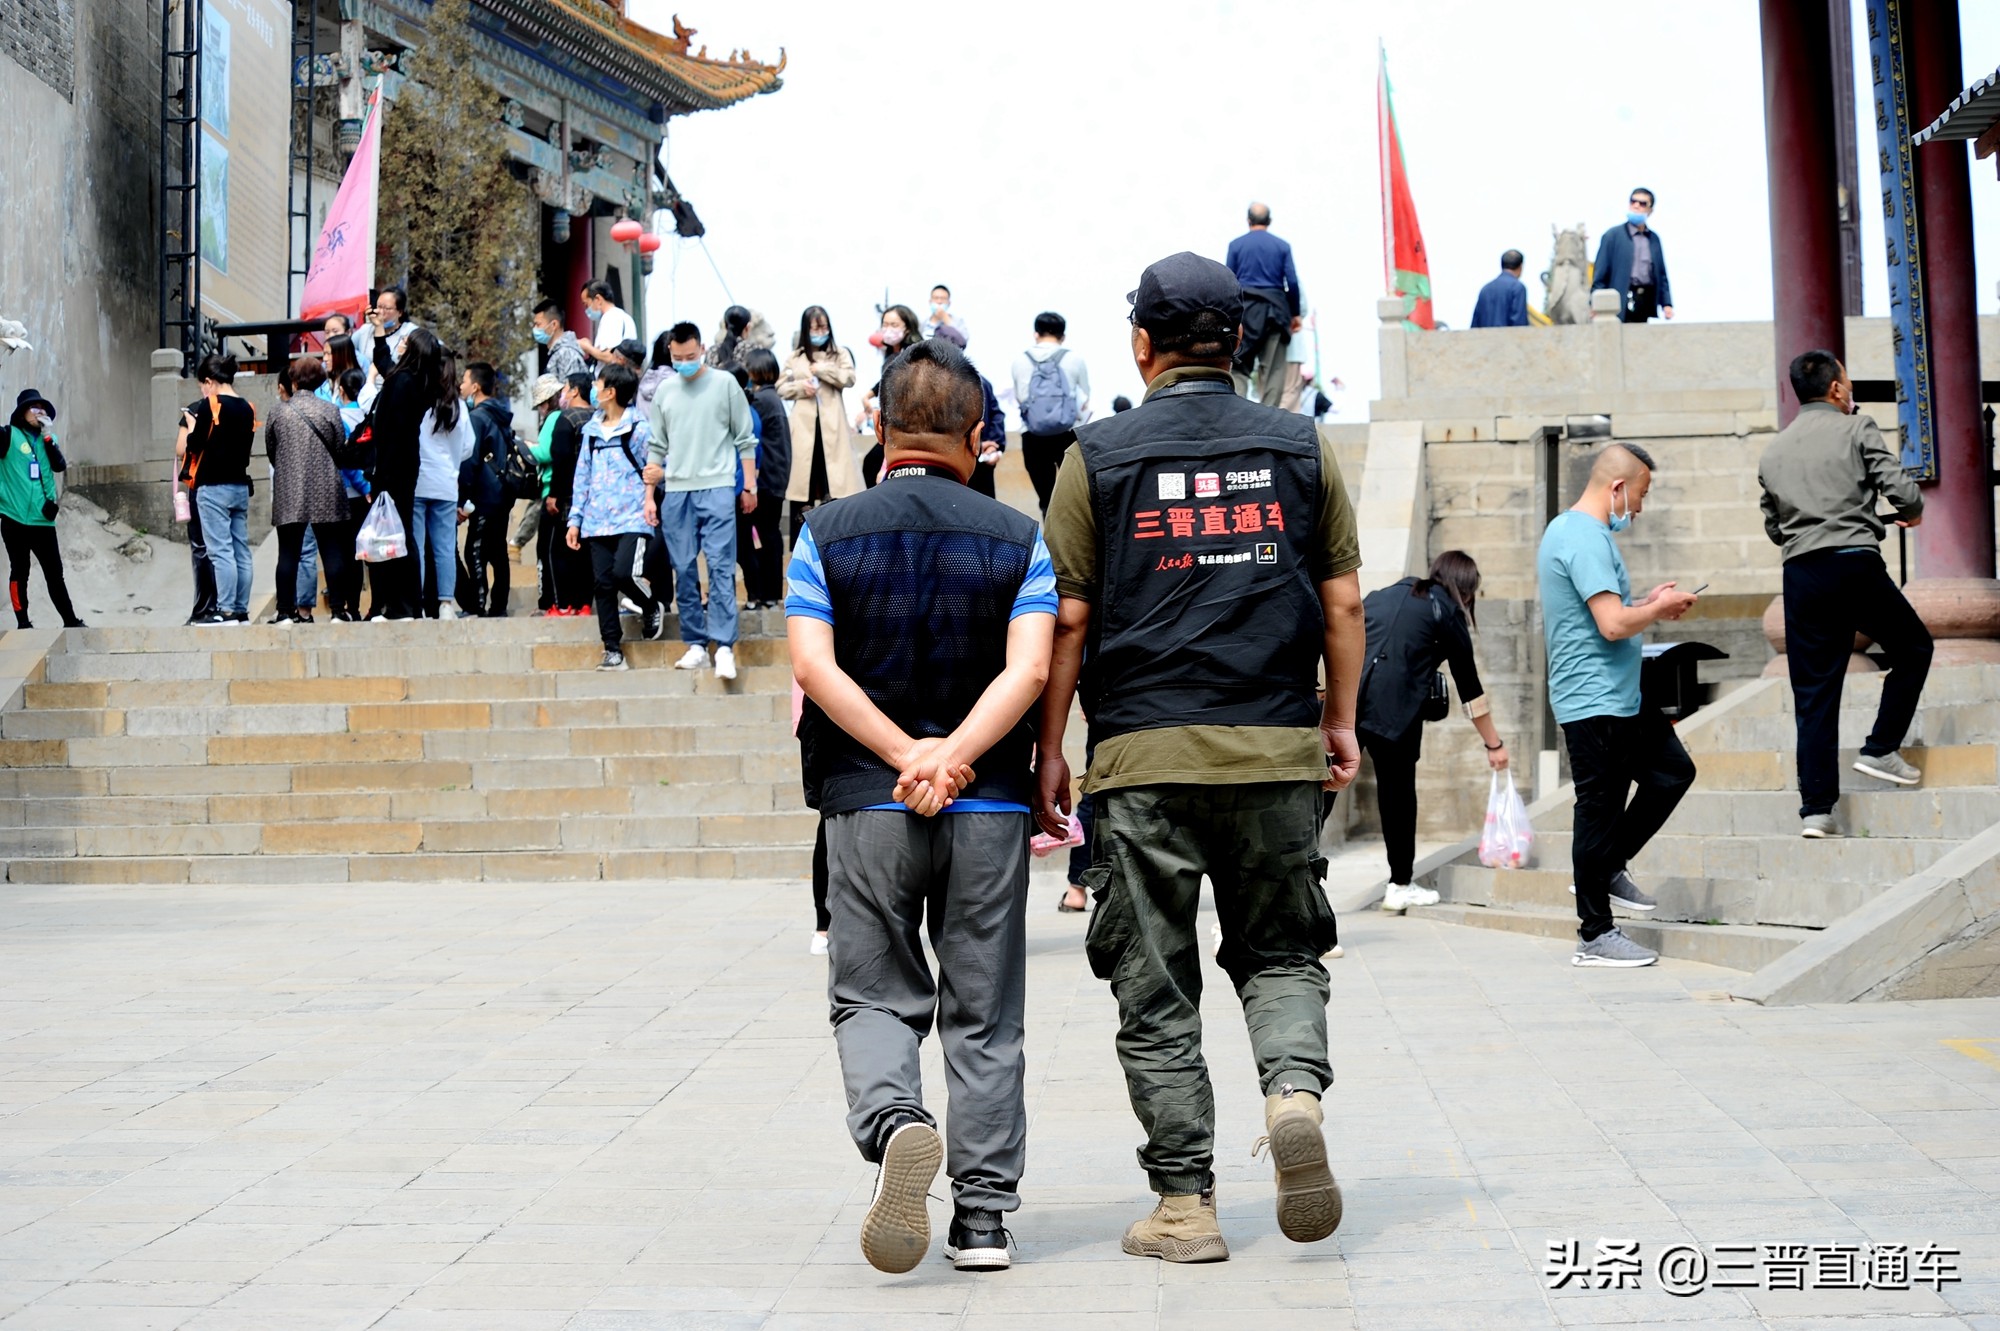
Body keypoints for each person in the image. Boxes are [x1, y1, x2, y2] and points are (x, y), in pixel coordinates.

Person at [1035, 251, 1362, 1263]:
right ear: (1239, 342)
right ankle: (1292, 1092)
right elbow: (1344, 601)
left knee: (1155, 986)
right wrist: (1337, 720)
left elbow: (1068, 621)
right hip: (1271, 744)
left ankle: (1184, 1205)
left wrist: (1049, 749)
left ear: (1139, 345)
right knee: (1278, 951)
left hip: (1139, 758)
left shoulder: (1095, 455)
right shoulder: (1300, 446)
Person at [785, 336, 1056, 1274]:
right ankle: (982, 1219)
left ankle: (898, 1119)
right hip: (987, 806)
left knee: (870, 994)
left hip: (868, 801)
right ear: (980, 436)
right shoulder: (1021, 537)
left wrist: (905, 755)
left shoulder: (826, 531)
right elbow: (1030, 668)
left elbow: (812, 664)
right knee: (984, 1012)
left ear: (876, 422)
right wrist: (955, 758)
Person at [1537, 443, 1700, 967]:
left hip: (1621, 695)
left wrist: (1647, 605)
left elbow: (1607, 614)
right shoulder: (1581, 536)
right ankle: (1595, 933)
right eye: (1641, 494)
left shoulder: (1583, 534)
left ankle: (1606, 865)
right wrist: (1656, 608)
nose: (1641, 506)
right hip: (1594, 699)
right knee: (1598, 812)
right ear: (1616, 488)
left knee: (1672, 771)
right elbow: (1610, 625)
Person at [1758, 349, 1931, 837]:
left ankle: (1816, 809)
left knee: (1814, 693)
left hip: (1802, 574)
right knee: (1914, 647)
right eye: (1848, 383)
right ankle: (1879, 748)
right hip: (1853, 563)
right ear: (1835, 388)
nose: (1850, 391)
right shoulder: (1857, 428)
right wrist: (1898, 513)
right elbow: (1905, 493)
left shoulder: (1773, 452)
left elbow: (1775, 527)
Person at [1356, 552, 1511, 909]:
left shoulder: (1383, 595)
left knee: (1322, 797)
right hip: (1395, 712)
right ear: (1467, 590)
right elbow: (1470, 688)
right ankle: (1399, 885)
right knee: (1397, 797)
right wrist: (1494, 745)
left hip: (1347, 701)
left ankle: (1288, 882)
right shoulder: (1446, 611)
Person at [642, 322, 756, 681]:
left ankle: (723, 645)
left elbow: (745, 438)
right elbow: (656, 447)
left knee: (721, 566)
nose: (685, 363)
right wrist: (649, 496)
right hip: (676, 490)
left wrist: (748, 485)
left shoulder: (725, 385)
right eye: (678, 358)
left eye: (691, 356)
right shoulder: (665, 391)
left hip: (718, 484)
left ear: (702, 348)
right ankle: (695, 643)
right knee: (684, 567)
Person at [567, 362, 662, 670]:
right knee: (603, 585)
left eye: (598, 384)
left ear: (610, 392)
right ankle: (612, 649)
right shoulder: (591, 432)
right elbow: (582, 476)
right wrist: (575, 520)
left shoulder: (639, 428)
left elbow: (660, 465)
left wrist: (654, 486)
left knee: (623, 574)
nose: (593, 388)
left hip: (632, 517)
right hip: (596, 521)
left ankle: (650, 604)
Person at [366, 325, 451, 619]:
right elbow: (385, 364)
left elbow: (388, 430)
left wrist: (377, 474)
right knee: (400, 532)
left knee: (394, 535)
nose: (400, 343)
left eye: (404, 341)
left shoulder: (401, 382)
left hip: (392, 466)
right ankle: (409, 604)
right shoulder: (418, 381)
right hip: (406, 464)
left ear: (412, 350)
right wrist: (378, 335)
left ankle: (400, 605)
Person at [265, 358, 351, 625]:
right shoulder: (330, 410)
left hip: (289, 490)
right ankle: (338, 610)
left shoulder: (279, 412)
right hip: (326, 488)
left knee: (288, 552)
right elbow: (339, 449)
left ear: (293, 380)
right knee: (331, 550)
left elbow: (272, 450)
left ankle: (284, 611)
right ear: (320, 381)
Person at [179, 353, 256, 626]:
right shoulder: (248, 407)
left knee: (221, 551)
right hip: (239, 485)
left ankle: (225, 611)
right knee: (240, 550)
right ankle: (241, 610)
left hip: (212, 487)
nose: (203, 389)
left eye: (203, 383)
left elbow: (194, 446)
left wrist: (191, 426)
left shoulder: (210, 405)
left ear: (210, 381)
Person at [779, 306, 862, 542]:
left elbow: (849, 378)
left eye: (823, 326)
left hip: (832, 430)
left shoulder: (840, 354)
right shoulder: (795, 358)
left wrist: (823, 369)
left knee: (834, 486)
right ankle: (799, 545)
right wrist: (800, 387)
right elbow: (781, 387)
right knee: (801, 488)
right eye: (815, 327)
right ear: (806, 329)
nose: (820, 331)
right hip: (804, 432)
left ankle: (833, 540)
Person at [2, 389, 81, 629]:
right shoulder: (8, 436)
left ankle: (70, 621)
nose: (40, 412)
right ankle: (23, 623)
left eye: (42, 408)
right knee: (20, 571)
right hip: (14, 518)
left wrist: (48, 437)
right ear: (22, 412)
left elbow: (59, 466)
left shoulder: (49, 440)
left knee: (55, 573)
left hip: (43, 520)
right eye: (33, 408)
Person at [411, 339, 474, 619]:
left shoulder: (418, 401)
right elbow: (467, 448)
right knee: (445, 548)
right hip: (447, 484)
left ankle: (419, 604)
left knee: (417, 547)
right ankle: (446, 604)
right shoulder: (459, 406)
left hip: (419, 480)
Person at [1011, 311, 1091, 516]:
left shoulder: (1020, 360)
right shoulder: (1074, 358)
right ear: (1062, 336)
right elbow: (1085, 396)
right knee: (1073, 495)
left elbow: (1020, 397)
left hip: (1032, 435)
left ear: (1036, 334)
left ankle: (1049, 539)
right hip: (1067, 434)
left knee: (1046, 498)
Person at [1224, 203, 1303, 404]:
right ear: (1269, 221)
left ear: (1248, 220)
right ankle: (1269, 418)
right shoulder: (1282, 246)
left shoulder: (1236, 245)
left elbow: (1228, 281)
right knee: (1274, 369)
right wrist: (1294, 313)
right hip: (1275, 311)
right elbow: (1292, 281)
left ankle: (1237, 413)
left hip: (1245, 313)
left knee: (1240, 366)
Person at [457, 361, 515, 617]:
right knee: (498, 551)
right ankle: (499, 604)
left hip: (485, 493)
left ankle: (478, 604)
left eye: (465, 381)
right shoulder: (500, 415)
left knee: (475, 550)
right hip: (504, 492)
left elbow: (470, 460)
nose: (462, 385)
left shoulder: (477, 417)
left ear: (476, 387)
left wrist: (462, 496)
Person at [926, 323, 1005, 499]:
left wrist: (989, 443)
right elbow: (997, 414)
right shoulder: (979, 379)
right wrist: (995, 443)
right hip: (980, 454)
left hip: (957, 459)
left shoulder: (944, 383)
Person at [539, 373, 596, 616]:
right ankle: (584, 603)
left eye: (565, 389)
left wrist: (554, 495)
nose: (562, 394)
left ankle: (562, 604)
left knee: (558, 551)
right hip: (595, 499)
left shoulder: (566, 419)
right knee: (586, 553)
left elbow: (561, 460)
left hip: (569, 500)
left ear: (574, 391)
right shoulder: (598, 417)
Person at [740, 348, 791, 608]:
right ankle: (771, 594)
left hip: (765, 480)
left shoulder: (761, 401)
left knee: (764, 539)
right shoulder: (774, 398)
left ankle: (765, 593)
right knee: (769, 537)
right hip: (776, 479)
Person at [859, 306, 926, 485]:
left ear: (907, 326)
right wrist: (869, 395)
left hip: (907, 423)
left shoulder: (914, 352)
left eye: (894, 324)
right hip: (891, 421)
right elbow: (887, 379)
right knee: (872, 464)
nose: (888, 329)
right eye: (885, 324)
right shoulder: (892, 352)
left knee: (876, 465)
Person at [1591, 188, 1674, 323]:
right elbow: (1600, 274)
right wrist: (1595, 304)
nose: (1636, 206)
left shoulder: (1653, 239)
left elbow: (1661, 275)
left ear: (1650, 210)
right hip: (1618, 301)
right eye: (1633, 201)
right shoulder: (1613, 236)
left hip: (1644, 300)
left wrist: (1666, 304)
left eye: (1642, 203)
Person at [353, 286, 417, 407]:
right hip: (363, 394)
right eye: (379, 307)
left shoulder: (410, 332)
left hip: (393, 396)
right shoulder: (365, 331)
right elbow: (347, 350)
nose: (380, 312)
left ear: (400, 312)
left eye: (386, 308)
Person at [578, 279, 638, 368]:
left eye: (586, 305)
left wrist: (587, 347)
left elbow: (611, 357)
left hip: (611, 379)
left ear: (598, 299)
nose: (586, 310)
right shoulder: (625, 317)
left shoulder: (611, 318)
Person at [1470, 251, 1531, 329]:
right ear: (1520, 267)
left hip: (1485, 340)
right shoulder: (1518, 288)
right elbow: (1519, 323)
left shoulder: (1485, 289)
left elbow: (1475, 324)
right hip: (1508, 339)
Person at [533, 299, 588, 382]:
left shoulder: (566, 353)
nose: (535, 329)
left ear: (554, 325)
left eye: (538, 324)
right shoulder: (558, 353)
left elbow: (573, 391)